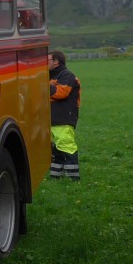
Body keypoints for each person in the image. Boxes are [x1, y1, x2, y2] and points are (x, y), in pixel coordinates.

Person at [48, 50, 82, 180]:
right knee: (56, 148)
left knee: (66, 146)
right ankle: (56, 177)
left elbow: (61, 93)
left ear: (56, 61)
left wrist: (42, 85)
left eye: (47, 60)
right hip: (52, 118)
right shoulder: (51, 76)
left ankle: (73, 179)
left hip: (63, 118)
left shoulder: (67, 75)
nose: (44, 63)